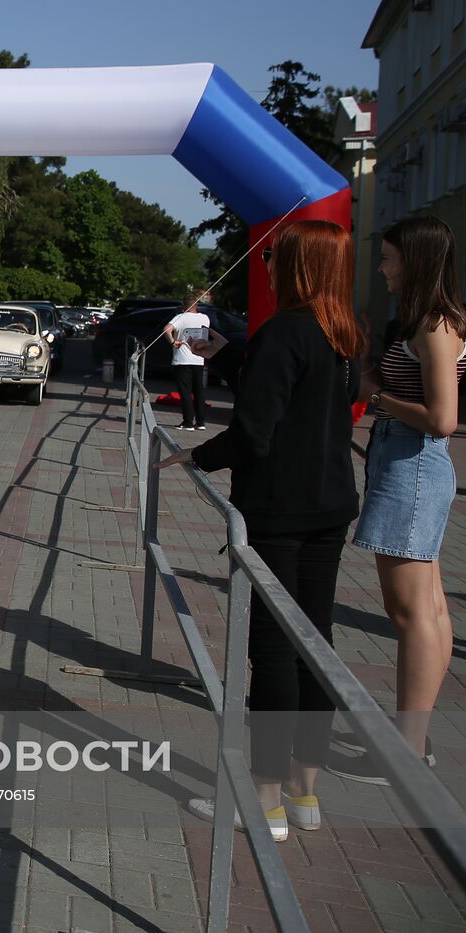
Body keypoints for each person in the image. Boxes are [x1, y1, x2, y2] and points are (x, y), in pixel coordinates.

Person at [156, 220, 364, 841]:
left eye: (277, 256)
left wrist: (196, 456)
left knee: (273, 650)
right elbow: (304, 405)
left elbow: (254, 432)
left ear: (299, 266)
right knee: (315, 642)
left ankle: (264, 800)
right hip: (329, 505)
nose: (268, 266)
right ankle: (304, 794)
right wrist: (239, 359)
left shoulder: (285, 332)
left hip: (279, 508)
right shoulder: (345, 333)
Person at [329, 216, 466, 785]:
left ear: (416, 260)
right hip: (405, 462)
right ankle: (412, 742)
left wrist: (378, 396)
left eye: (388, 258)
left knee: (412, 613)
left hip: (412, 464)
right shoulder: (424, 320)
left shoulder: (434, 326)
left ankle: (406, 750)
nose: (382, 268)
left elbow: (442, 419)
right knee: (428, 609)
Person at [163, 289, 211, 431]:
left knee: (185, 392)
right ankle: (201, 422)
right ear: (197, 305)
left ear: (183, 305)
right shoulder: (205, 318)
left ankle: (188, 422)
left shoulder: (180, 317)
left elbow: (166, 329)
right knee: (199, 391)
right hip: (198, 359)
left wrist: (173, 342)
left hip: (182, 359)